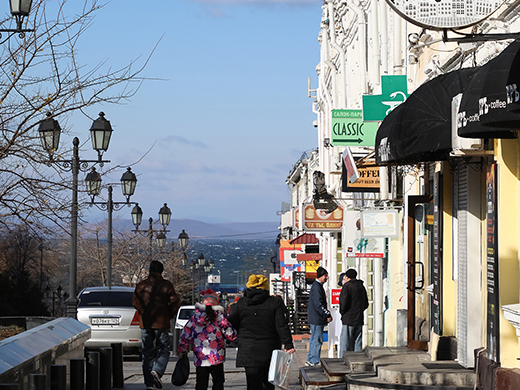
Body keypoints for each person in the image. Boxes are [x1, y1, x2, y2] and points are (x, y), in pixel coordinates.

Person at [228, 274, 294, 390]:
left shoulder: (241, 303)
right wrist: (288, 344)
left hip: (248, 349)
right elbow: (281, 325)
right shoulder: (274, 303)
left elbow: (232, 323)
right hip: (269, 348)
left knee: (252, 383)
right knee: (268, 382)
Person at [133, 260, 181, 390]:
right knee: (164, 349)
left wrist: (144, 312)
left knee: (147, 352)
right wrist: (168, 314)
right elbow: (175, 302)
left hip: (146, 323)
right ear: (161, 271)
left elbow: (135, 302)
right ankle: (157, 371)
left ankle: (149, 383)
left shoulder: (141, 285)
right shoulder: (166, 285)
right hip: (161, 322)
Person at [177, 289, 237, 390]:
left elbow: (186, 334)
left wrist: (182, 349)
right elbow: (229, 332)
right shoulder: (219, 317)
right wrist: (235, 337)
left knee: (201, 382)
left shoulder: (195, 317)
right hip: (217, 355)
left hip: (200, 356)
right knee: (218, 381)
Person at [338, 268, 369, 356]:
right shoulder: (361, 286)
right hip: (359, 318)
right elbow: (366, 303)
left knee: (345, 342)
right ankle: (358, 360)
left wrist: (343, 312)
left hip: (348, 318)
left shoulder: (347, 286)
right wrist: (359, 310)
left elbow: (343, 302)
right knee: (357, 341)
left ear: (347, 277)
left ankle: (342, 360)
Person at [306, 266, 332, 367]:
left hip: (315, 318)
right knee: (317, 340)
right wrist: (327, 313)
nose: (327, 278)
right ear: (321, 276)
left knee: (314, 339)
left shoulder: (316, 286)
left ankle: (311, 359)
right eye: (325, 276)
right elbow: (318, 304)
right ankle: (313, 360)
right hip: (317, 318)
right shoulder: (317, 287)